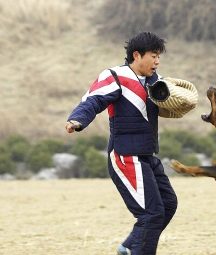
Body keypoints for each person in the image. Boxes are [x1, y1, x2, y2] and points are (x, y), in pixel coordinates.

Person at [65, 32, 177, 255]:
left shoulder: (156, 81)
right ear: (137, 55)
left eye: (159, 57)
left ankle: (127, 247)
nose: (157, 61)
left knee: (168, 204)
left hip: (147, 155)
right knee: (151, 214)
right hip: (125, 156)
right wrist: (78, 119)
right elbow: (93, 99)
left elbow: (171, 104)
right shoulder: (116, 76)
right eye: (153, 56)